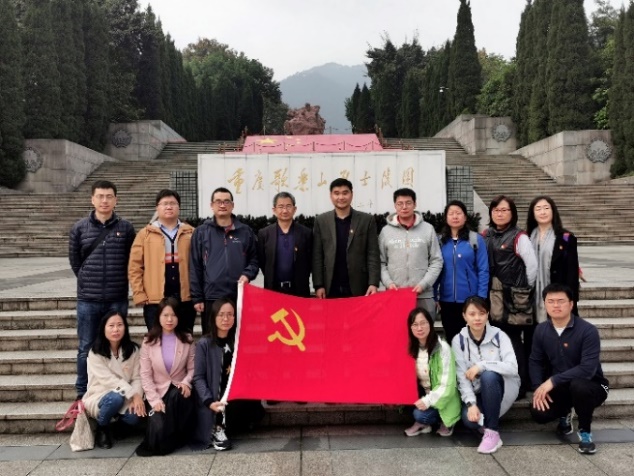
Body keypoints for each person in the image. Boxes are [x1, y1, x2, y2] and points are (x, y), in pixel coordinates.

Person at [69, 180, 135, 400]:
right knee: (86, 346)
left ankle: (118, 388)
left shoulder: (126, 228)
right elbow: (76, 262)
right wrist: (88, 280)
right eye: (100, 196)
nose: (104, 200)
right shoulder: (79, 228)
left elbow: (131, 260)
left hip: (117, 298)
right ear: (92, 199)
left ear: (116, 200)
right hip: (88, 299)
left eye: (109, 196)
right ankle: (82, 392)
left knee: (117, 345)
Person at [529, 283, 609, 455]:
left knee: (579, 386)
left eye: (561, 301)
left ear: (571, 304)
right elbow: (535, 361)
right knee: (538, 413)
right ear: (545, 304)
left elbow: (587, 369)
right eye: (551, 301)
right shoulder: (541, 330)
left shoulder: (588, 331)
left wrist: (552, 381)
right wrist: (538, 387)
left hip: (593, 385)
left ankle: (585, 432)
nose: (556, 305)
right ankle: (565, 412)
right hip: (562, 386)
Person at [482, 195, 537, 397]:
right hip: (491, 297)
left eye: (505, 210)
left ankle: (521, 384)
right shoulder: (486, 235)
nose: (500, 214)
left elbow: (532, 267)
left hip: (513, 299)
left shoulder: (519, 237)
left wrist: (522, 289)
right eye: (496, 210)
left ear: (512, 213)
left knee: (513, 340)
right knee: (498, 340)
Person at [192, 298, 264, 451]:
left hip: (234, 393)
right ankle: (217, 428)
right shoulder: (204, 344)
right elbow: (198, 377)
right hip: (213, 395)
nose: (226, 319)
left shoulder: (237, 340)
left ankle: (232, 423)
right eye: (221, 314)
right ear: (214, 317)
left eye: (230, 314)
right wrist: (208, 400)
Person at [452, 296, 520, 454]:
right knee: (470, 421)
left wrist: (482, 366)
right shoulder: (458, 340)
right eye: (472, 314)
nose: (477, 318)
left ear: (487, 314)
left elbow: (512, 367)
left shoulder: (499, 335)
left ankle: (492, 432)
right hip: (477, 391)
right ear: (464, 316)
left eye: (481, 313)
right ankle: (488, 422)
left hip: (503, 387)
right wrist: (471, 404)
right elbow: (462, 376)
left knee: (488, 375)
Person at [189, 187, 259, 334]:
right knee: (211, 339)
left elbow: (254, 259)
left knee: (237, 339)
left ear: (232, 205)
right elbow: (195, 266)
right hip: (211, 296)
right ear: (212, 205)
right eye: (218, 201)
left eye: (226, 201)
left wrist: (247, 274)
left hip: (238, 295)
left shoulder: (245, 231)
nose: (222, 205)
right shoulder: (201, 232)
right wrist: (197, 297)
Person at [129, 189, 196, 332]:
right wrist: (139, 293)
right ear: (157, 207)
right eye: (165, 204)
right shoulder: (145, 234)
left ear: (179, 207)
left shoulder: (191, 233)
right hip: (155, 299)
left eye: (173, 203)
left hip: (184, 297)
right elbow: (135, 267)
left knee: (185, 338)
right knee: (156, 339)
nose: (169, 207)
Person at [136, 297, 195, 456]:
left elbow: (192, 369)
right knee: (158, 436)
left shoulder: (187, 339)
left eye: (173, 315)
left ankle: (180, 434)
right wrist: (154, 400)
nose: (169, 319)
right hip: (158, 392)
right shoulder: (149, 341)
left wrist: (186, 382)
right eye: (165, 315)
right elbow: (145, 375)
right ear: (159, 317)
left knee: (177, 395)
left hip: (180, 392)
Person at [82, 311, 145, 449]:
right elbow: (108, 380)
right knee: (116, 398)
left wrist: (137, 397)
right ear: (103, 328)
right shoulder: (95, 352)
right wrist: (132, 394)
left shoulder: (133, 350)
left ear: (125, 328)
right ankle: (102, 428)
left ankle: (119, 426)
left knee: (135, 415)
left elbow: (137, 377)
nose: (116, 329)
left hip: (126, 394)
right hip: (102, 393)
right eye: (111, 325)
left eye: (119, 325)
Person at [379, 188, 443, 319]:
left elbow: (436, 260)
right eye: (400, 203)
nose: (404, 207)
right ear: (395, 206)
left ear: (415, 204)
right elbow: (381, 262)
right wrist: (388, 283)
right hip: (395, 294)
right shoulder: (386, 232)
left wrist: (424, 284)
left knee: (424, 330)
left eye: (408, 203)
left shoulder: (428, 229)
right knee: (397, 330)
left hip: (423, 295)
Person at [312, 178, 380, 298]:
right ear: (331, 196)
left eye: (345, 193)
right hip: (330, 286)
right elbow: (317, 255)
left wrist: (373, 283)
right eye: (336, 193)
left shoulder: (366, 220)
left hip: (359, 285)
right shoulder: (321, 221)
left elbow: (373, 254)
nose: (341, 197)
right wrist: (318, 285)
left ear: (351, 194)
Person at [435, 200, 489, 343]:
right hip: (446, 301)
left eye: (458, 213)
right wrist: (435, 296)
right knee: (452, 338)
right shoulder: (439, 241)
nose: (455, 216)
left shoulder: (475, 239)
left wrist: (481, 297)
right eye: (451, 213)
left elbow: (483, 270)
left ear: (465, 217)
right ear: (446, 217)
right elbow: (435, 269)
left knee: (472, 339)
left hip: (470, 300)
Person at [403, 307, 461, 438]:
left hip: (445, 397)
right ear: (410, 328)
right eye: (415, 324)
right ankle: (427, 422)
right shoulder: (412, 348)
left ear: (430, 324)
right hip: (426, 393)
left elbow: (447, 385)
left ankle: (447, 421)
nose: (419, 328)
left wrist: (428, 401)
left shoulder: (443, 349)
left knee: (419, 415)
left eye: (423, 323)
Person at [526, 195, 580, 323]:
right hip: (532, 297)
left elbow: (572, 272)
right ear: (533, 213)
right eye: (538, 209)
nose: (542, 212)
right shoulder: (526, 237)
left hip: (558, 296)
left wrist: (571, 299)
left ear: (553, 211)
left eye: (546, 208)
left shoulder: (566, 238)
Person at [257, 191, 312, 297]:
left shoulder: (306, 233)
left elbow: (310, 262)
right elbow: (263, 262)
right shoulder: (264, 234)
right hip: (273, 291)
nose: (285, 210)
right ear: (274, 210)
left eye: (288, 206)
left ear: (294, 209)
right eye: (281, 207)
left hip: (299, 291)